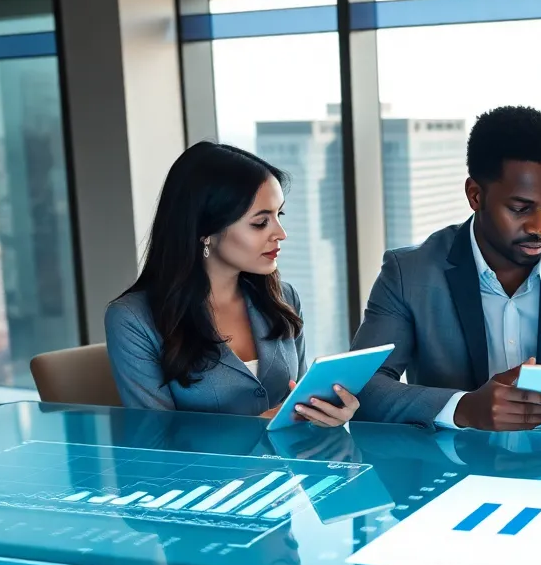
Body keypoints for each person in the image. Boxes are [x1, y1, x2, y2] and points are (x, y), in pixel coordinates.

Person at [350, 106, 541, 436]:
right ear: (475, 195)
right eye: (520, 208)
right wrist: (464, 408)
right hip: (453, 465)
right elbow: (362, 388)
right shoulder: (409, 274)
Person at [106, 142, 358, 427]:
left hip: (290, 457)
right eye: (260, 223)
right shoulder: (132, 319)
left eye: (279, 215)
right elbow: (154, 437)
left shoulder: (284, 298)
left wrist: (326, 415)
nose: (281, 233)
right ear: (205, 231)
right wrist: (253, 428)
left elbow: (296, 403)